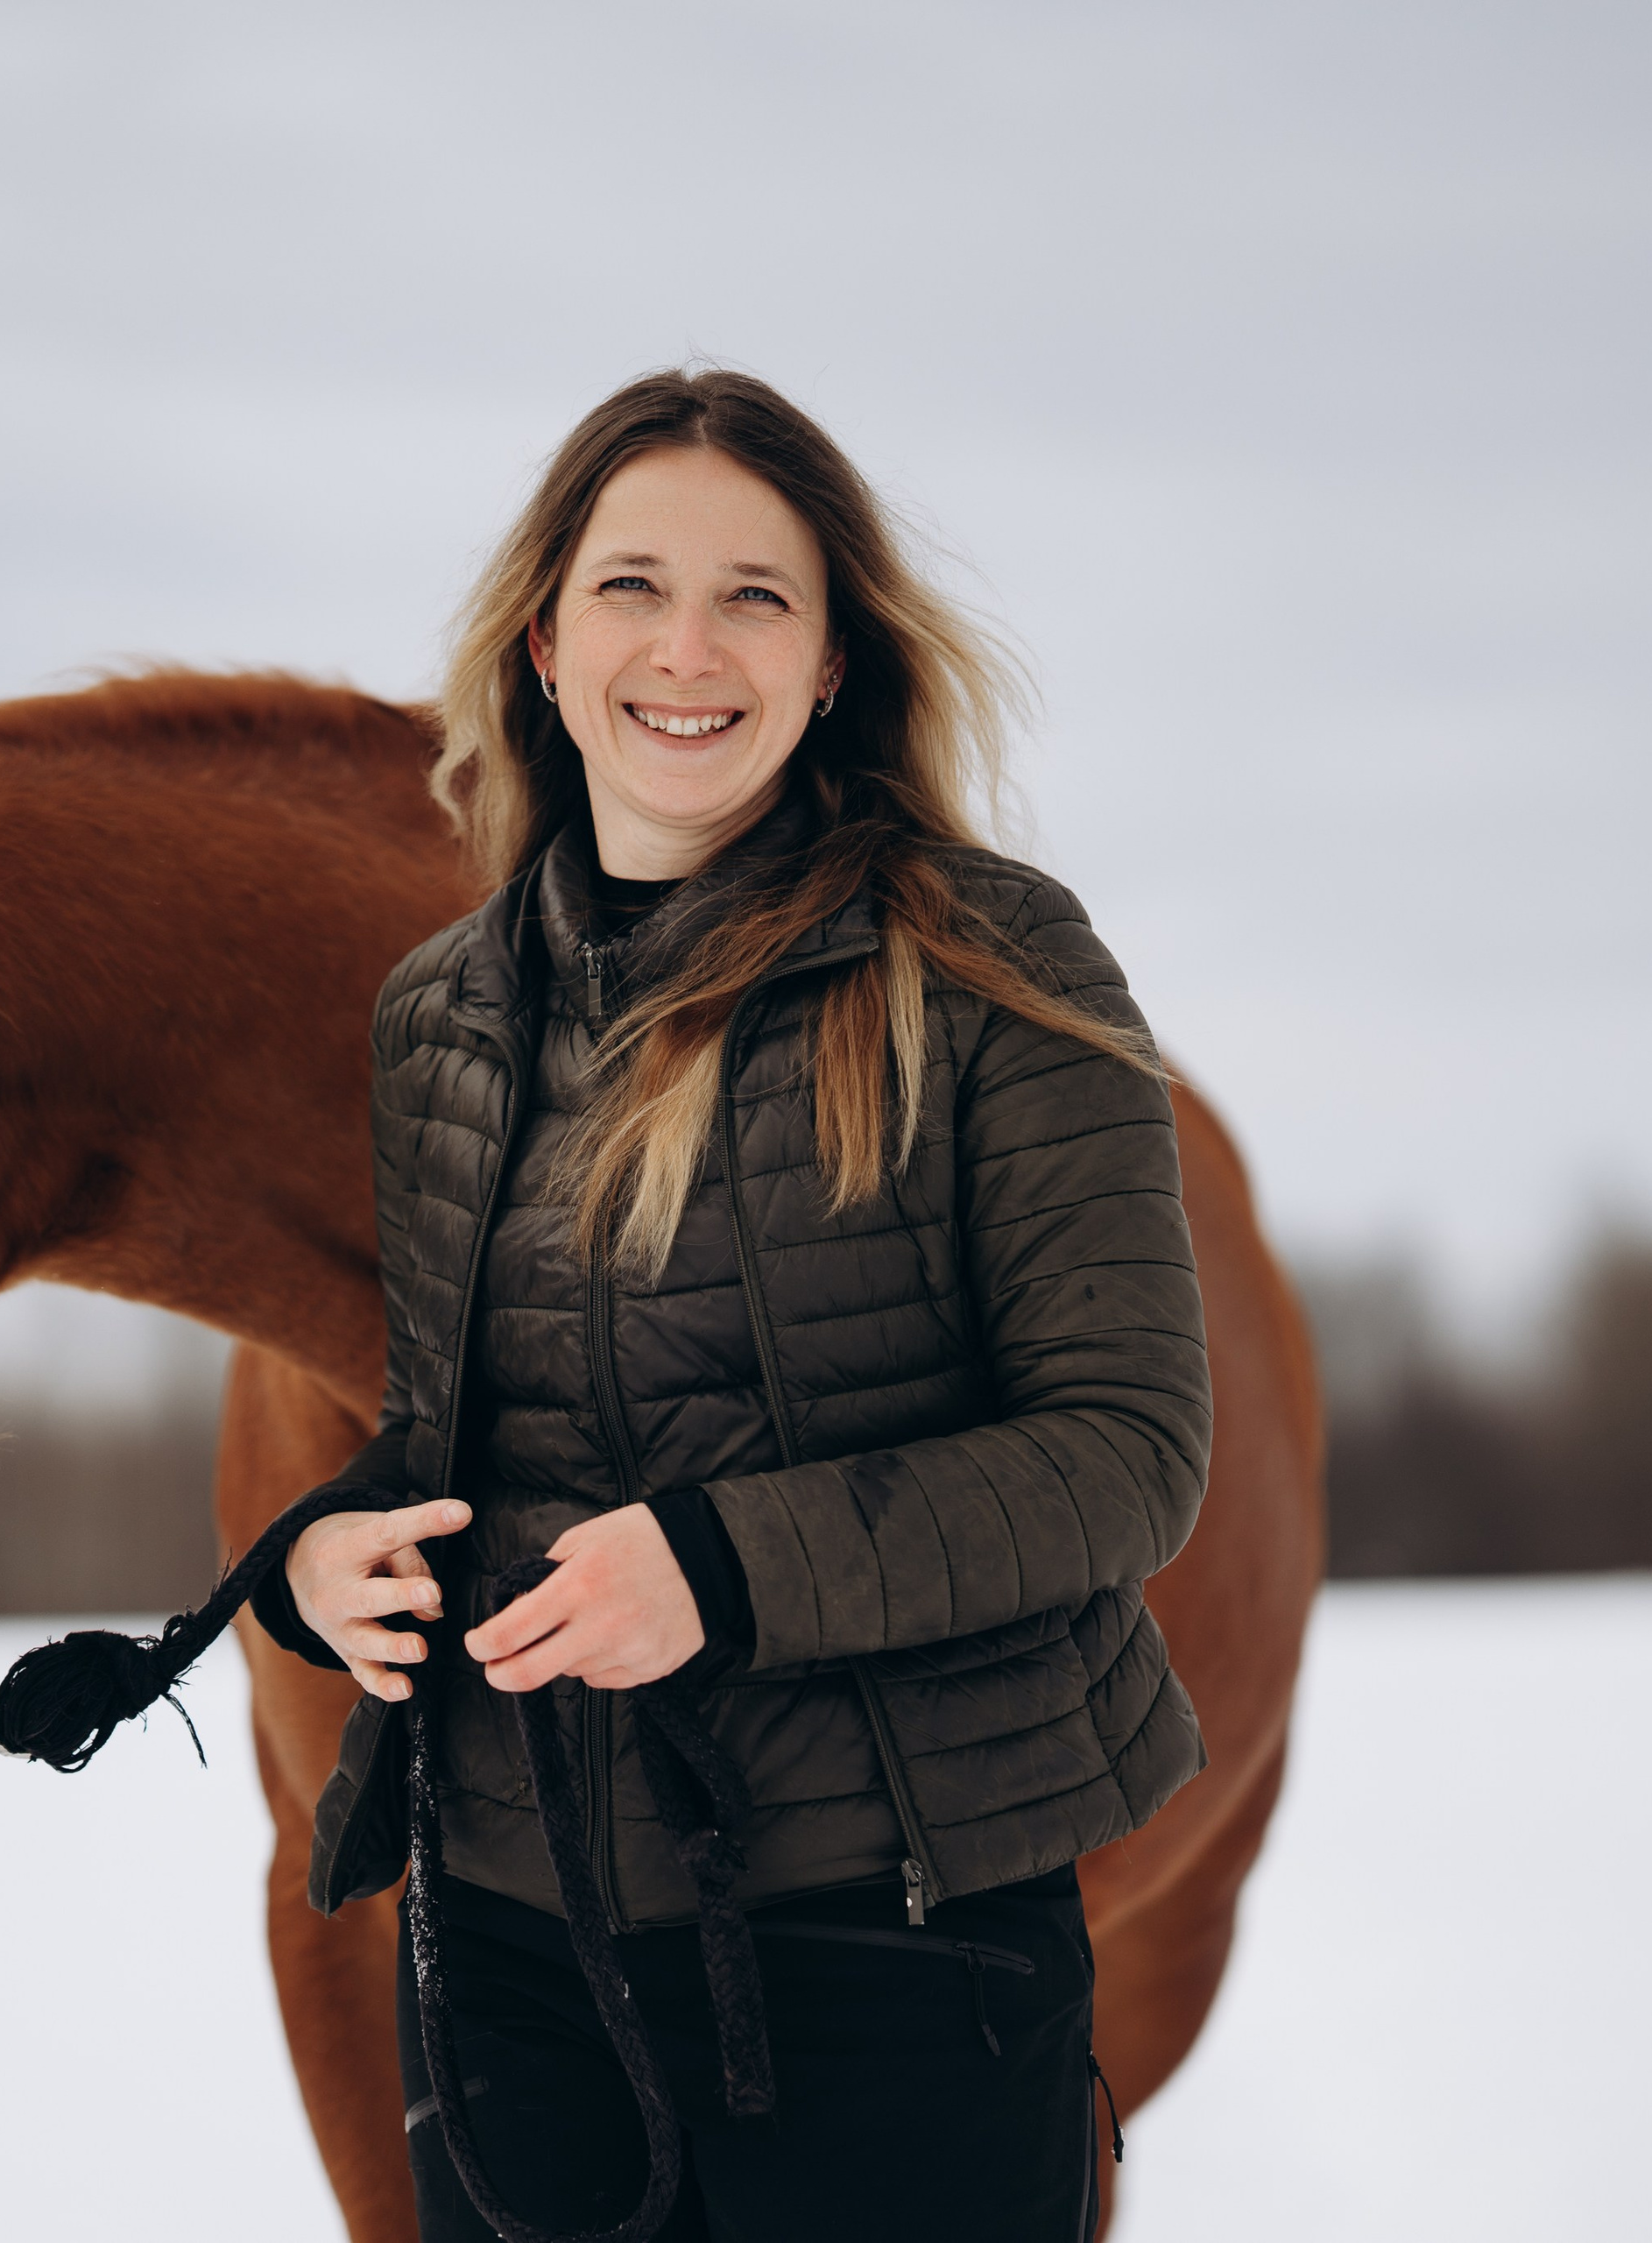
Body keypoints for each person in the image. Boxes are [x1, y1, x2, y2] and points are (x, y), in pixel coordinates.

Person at [250, 368, 1211, 2242]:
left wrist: (720, 1563)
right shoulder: (441, 1009)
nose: (684, 645)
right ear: (542, 641)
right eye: (628, 587)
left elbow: (1123, 1453)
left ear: (831, 653)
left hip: (895, 1959)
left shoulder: (988, 957)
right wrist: (322, 1553)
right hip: (513, 1966)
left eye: (753, 594)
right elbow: (468, 1423)